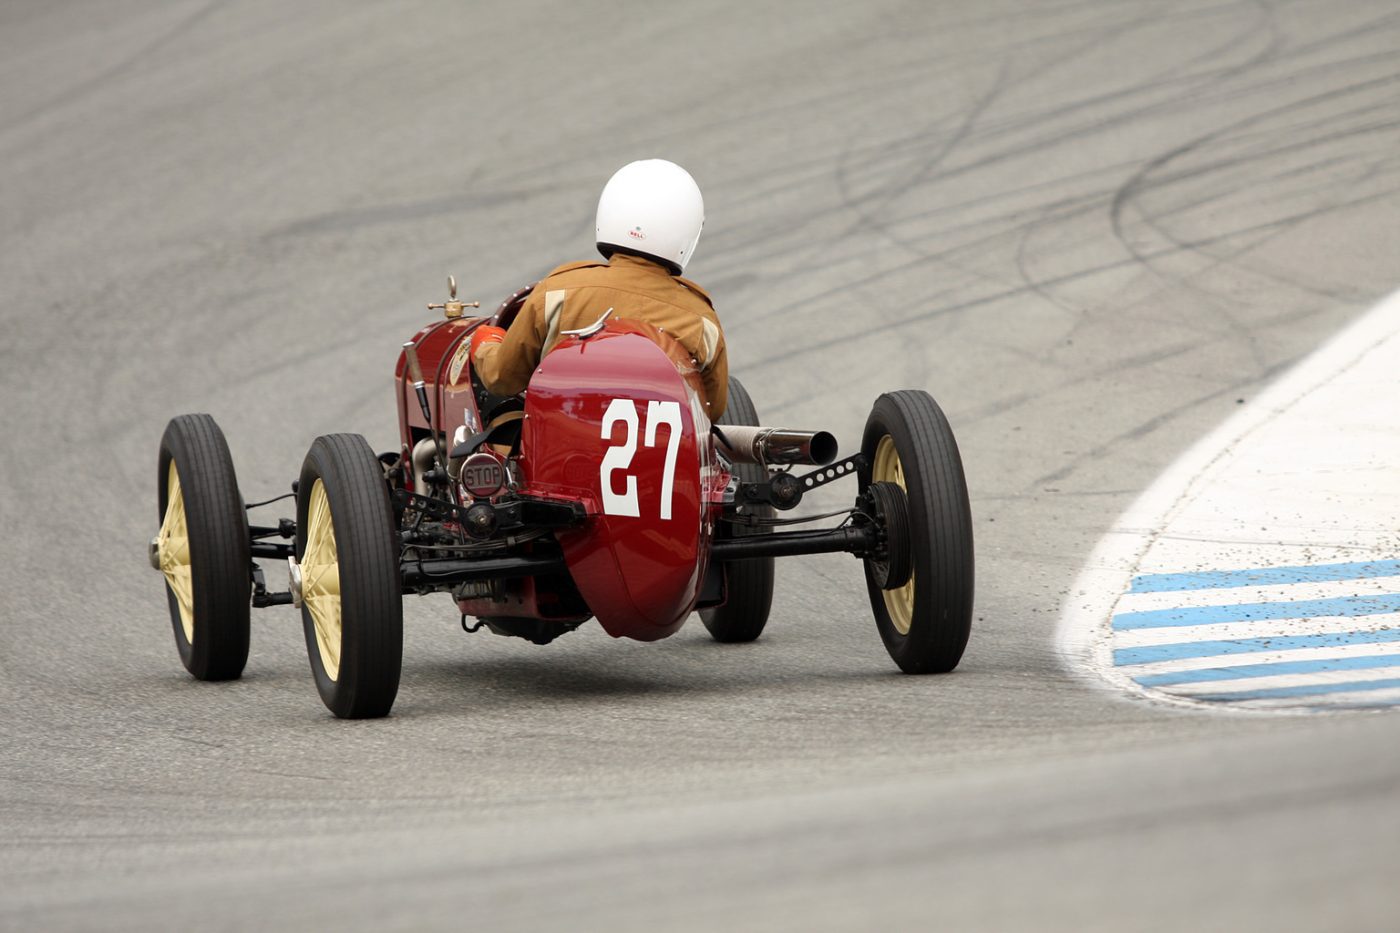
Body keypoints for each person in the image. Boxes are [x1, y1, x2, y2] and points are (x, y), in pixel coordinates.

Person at [469, 159, 729, 419]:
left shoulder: (557, 292)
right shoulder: (701, 320)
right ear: (689, 230)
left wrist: (486, 345)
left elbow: (502, 379)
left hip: (562, 449)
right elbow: (712, 411)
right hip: (662, 451)